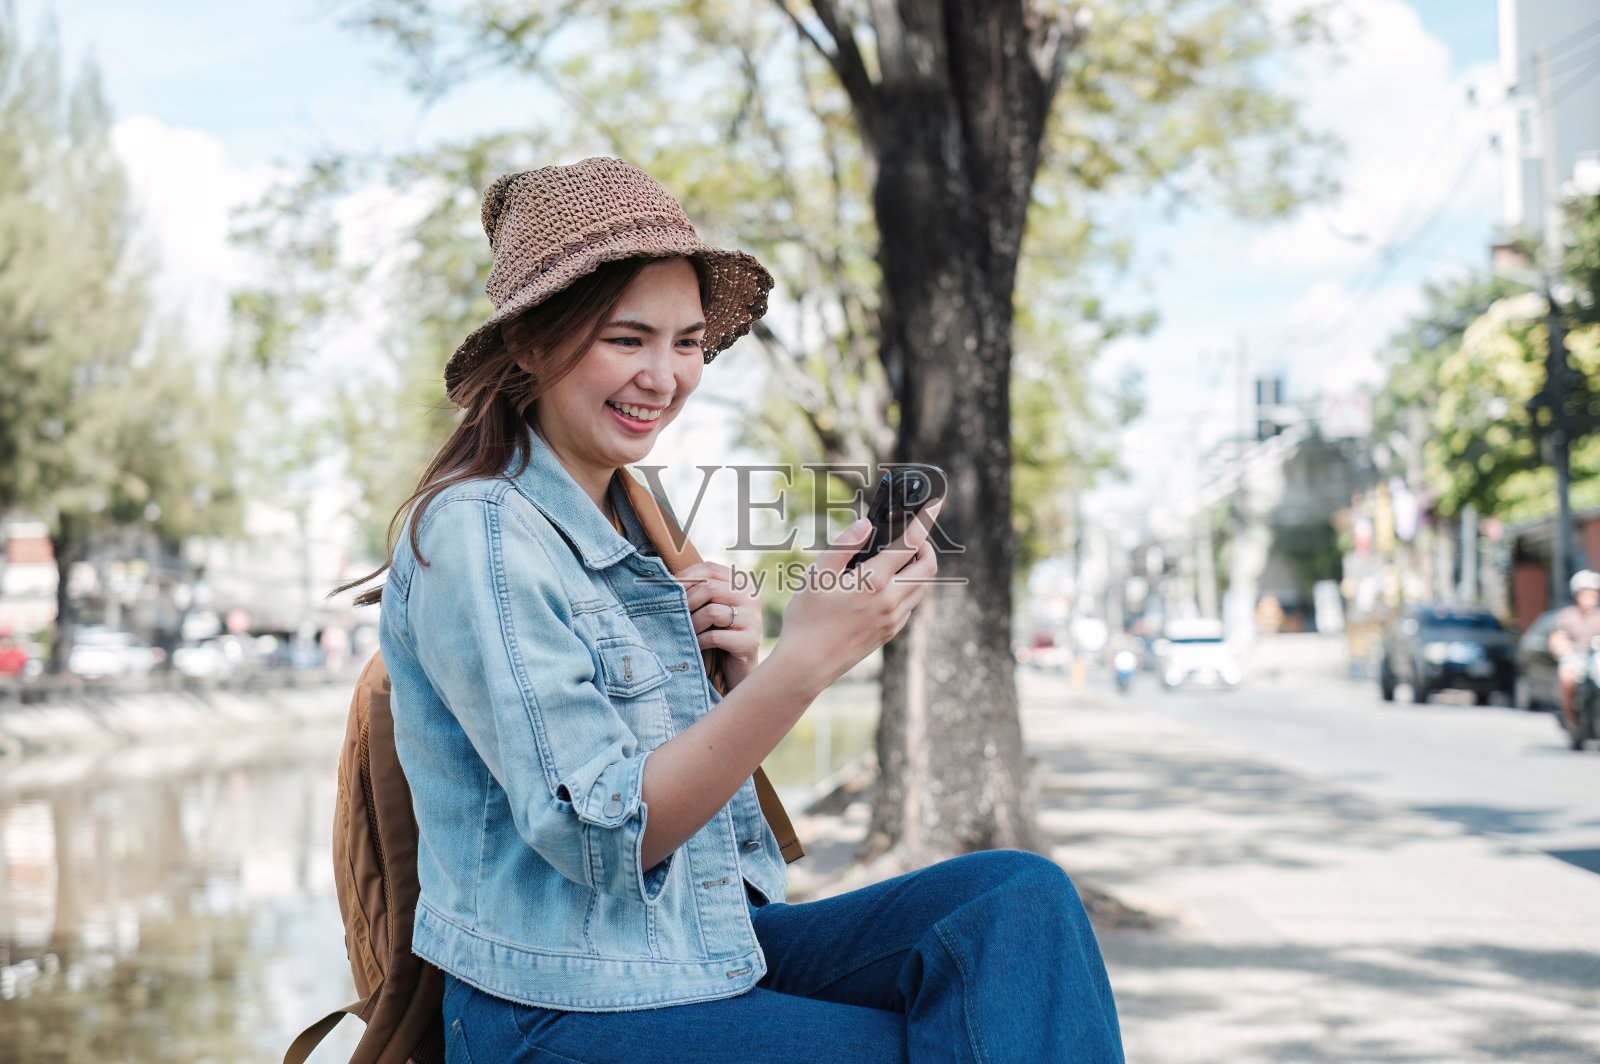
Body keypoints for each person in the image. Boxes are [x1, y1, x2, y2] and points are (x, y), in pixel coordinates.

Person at [346, 158, 1124, 1064]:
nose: (664, 377)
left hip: (693, 946)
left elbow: (716, 833)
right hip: (557, 1006)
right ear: (529, 343)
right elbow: (602, 837)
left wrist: (735, 674)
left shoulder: (637, 518)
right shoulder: (481, 530)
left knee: (1016, 902)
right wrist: (805, 665)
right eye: (627, 339)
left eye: (687, 343)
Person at [1549, 569, 1600, 735]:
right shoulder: (1568, 615)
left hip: (1596, 658)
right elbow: (1557, 637)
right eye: (1586, 593)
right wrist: (1562, 647)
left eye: (1593, 593)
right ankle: (1570, 717)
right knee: (1566, 677)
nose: (1590, 597)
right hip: (1576, 658)